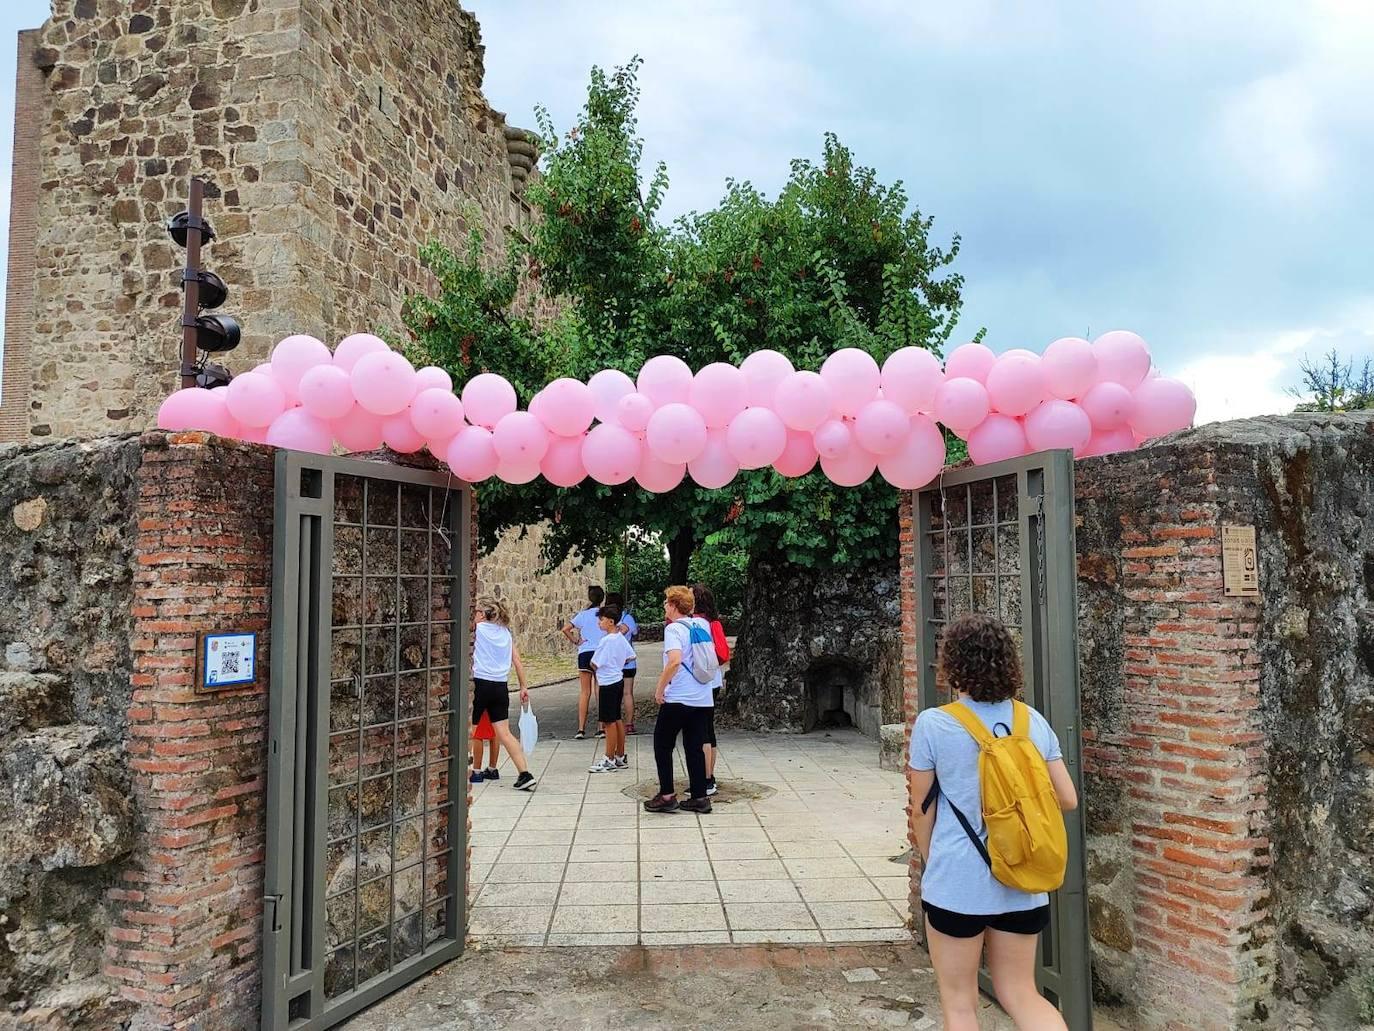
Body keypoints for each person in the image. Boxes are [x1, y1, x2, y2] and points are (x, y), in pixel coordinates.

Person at [908, 613, 1078, 1031]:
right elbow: (1067, 799)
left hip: (958, 882)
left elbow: (920, 809)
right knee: (1022, 993)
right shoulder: (1031, 721)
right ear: (1007, 663)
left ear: (951, 664)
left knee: (960, 1003)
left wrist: (935, 865)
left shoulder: (935, 724)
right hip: (1023, 881)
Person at [644, 585, 714, 814]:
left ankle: (666, 795)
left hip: (679, 697)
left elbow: (674, 661)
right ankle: (699, 796)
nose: (664, 605)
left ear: (674, 606)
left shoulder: (674, 630)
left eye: (666, 602)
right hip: (702, 697)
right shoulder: (702, 625)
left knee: (662, 744)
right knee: (694, 747)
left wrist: (660, 688)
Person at [472, 598, 537, 791]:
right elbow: (516, 660)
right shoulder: (505, 634)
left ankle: (466, 770)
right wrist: (524, 686)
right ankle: (525, 773)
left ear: (482, 614)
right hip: (500, 687)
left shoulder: (478, 630)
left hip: (479, 684)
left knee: (470, 729)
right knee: (505, 733)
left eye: (475, 611)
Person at [691, 583, 730, 797]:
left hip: (701, 682)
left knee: (701, 732)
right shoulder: (712, 622)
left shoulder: (696, 624)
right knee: (708, 730)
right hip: (713, 680)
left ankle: (706, 779)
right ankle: (708, 776)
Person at [587, 603, 636, 773]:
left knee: (608, 722)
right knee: (616, 719)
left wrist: (603, 666)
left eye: (601, 620)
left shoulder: (606, 641)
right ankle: (620, 755)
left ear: (610, 621)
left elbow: (594, 663)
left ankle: (609, 757)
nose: (599, 623)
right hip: (618, 679)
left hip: (607, 682)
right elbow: (631, 656)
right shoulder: (621, 638)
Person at [561, 585, 606, 739]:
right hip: (600, 653)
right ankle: (601, 728)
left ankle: (581, 729)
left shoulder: (582, 615)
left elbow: (565, 629)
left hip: (585, 652)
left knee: (584, 692)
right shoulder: (604, 615)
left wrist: (576, 641)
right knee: (599, 691)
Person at [607, 591, 638, 734]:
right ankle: (629, 724)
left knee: (613, 694)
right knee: (627, 693)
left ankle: (613, 723)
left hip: (614, 663)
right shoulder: (628, 618)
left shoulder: (607, 621)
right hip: (628, 663)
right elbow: (634, 632)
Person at [468, 711, 500, 784]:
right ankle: (492, 769)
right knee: (494, 727)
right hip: (498, 701)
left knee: (477, 729)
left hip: (483, 701)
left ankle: (477, 772)